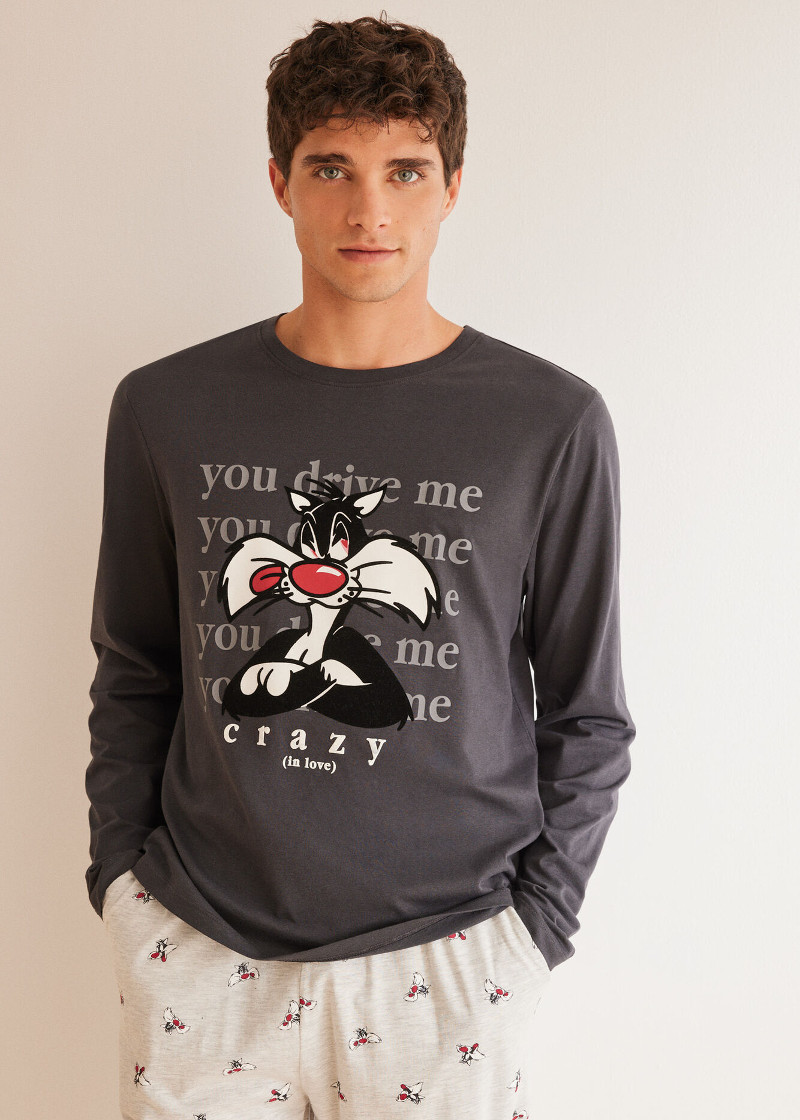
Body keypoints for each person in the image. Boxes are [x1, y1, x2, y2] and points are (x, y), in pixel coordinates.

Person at [86, 13, 636, 1120]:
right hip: (201, 947)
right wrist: (124, 891)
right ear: (281, 183)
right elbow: (136, 668)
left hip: (448, 959)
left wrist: (531, 932)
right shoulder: (165, 406)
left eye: (405, 170)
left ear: (452, 186)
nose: (369, 210)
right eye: (332, 167)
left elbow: (586, 711)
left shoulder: (548, 421)